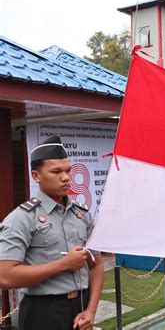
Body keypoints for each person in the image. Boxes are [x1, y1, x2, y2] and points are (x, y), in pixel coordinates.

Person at [0, 136, 104, 330]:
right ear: (36, 176)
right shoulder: (22, 218)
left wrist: (91, 310)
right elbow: (5, 276)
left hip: (80, 308)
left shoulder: (82, 214)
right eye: (56, 171)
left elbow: (96, 265)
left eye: (68, 170)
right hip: (42, 312)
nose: (66, 177)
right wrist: (63, 264)